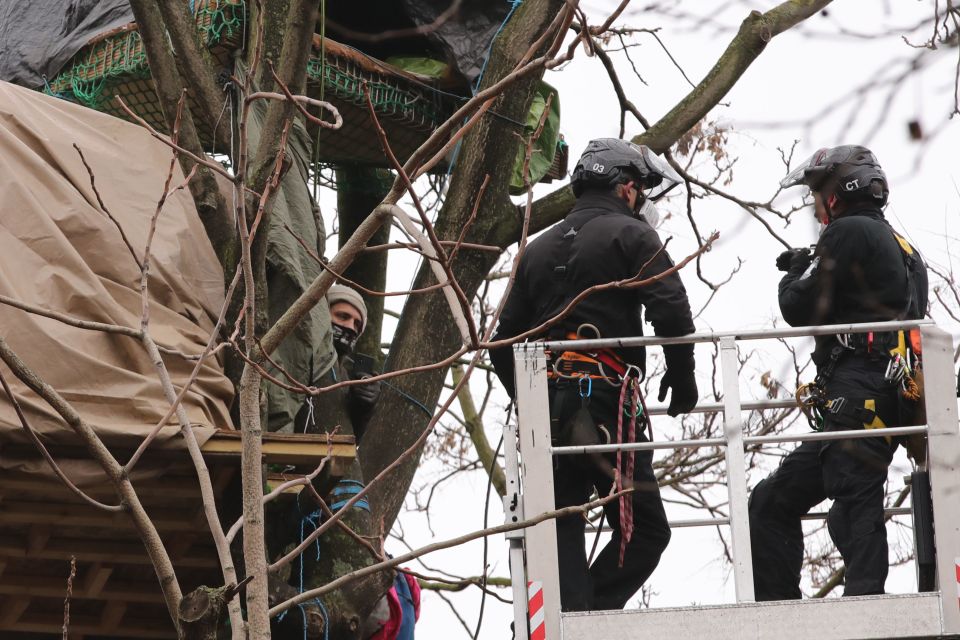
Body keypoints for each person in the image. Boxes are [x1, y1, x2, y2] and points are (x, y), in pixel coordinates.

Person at [490, 138, 698, 612]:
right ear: (626, 188)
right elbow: (672, 311)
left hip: (552, 415)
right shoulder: (631, 235)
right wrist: (683, 379)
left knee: (561, 522)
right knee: (646, 530)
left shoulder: (536, 250)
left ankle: (574, 618)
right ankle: (592, 615)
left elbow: (501, 344)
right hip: (606, 405)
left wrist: (531, 403)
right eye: (640, 191)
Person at [749, 145, 929, 600]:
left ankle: (867, 608)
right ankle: (782, 612)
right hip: (879, 394)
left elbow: (798, 306)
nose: (816, 206)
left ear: (835, 195)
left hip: (860, 394)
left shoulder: (847, 231)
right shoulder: (904, 248)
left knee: (853, 507)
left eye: (817, 195)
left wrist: (793, 272)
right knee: (770, 503)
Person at [294, 283, 381, 441]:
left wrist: (362, 408)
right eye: (343, 316)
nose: (351, 328)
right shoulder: (297, 350)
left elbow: (351, 439)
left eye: (357, 324)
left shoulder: (345, 378)